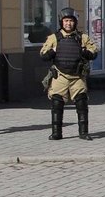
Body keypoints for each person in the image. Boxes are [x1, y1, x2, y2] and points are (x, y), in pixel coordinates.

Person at [40, 7, 98, 140]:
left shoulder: (82, 38)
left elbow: (94, 52)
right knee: (56, 104)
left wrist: (85, 52)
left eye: (71, 21)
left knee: (82, 104)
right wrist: (52, 52)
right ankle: (56, 132)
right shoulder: (54, 38)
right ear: (61, 22)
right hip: (60, 76)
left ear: (75, 22)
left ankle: (83, 132)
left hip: (77, 77)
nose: (68, 24)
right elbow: (43, 55)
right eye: (66, 21)